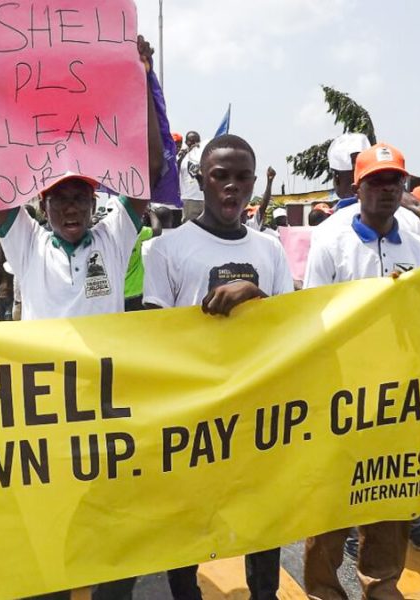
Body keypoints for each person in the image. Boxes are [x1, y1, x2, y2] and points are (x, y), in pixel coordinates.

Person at [0, 33, 165, 600]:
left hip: (106, 401)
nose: (72, 206)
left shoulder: (116, 234)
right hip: (44, 407)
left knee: (110, 519)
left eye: (81, 195)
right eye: (60, 197)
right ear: (41, 205)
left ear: (96, 200)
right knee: (48, 525)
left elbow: (148, 164)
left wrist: (143, 78)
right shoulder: (26, 244)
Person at [144, 134, 294, 600]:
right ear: (201, 180)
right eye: (220, 176)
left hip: (256, 411)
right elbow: (154, 339)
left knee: (262, 519)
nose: (232, 186)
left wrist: (255, 295)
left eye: (242, 177)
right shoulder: (166, 249)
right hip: (191, 414)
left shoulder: (271, 250)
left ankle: (263, 594)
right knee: (186, 520)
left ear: (253, 183)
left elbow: (292, 329)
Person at [303, 143, 420, 600]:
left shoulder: (418, 242)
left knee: (391, 488)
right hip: (342, 391)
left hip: (398, 391)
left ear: (404, 186)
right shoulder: (331, 241)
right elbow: (313, 317)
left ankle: (382, 581)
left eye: (393, 181)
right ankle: (323, 587)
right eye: (375, 182)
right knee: (332, 496)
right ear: (357, 187)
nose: (385, 190)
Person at [124, 204, 165, 311]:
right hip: (137, 292)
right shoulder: (137, 233)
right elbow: (157, 230)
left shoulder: (107, 238)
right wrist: (150, 211)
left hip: (117, 294)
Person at [178, 130, 204, 221]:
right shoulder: (183, 156)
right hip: (189, 199)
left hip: (204, 199)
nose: (194, 143)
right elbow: (176, 171)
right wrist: (183, 155)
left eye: (197, 141)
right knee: (189, 228)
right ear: (186, 142)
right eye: (191, 141)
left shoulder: (204, 154)